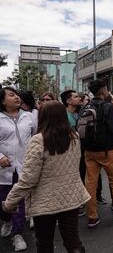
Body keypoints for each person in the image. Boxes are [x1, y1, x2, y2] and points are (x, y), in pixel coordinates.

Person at [2, 101, 90, 253]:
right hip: (71, 196)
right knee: (73, 241)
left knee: (44, 243)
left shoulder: (38, 140)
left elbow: (28, 179)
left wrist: (10, 202)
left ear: (42, 117)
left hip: (45, 202)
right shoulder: (74, 136)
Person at [83, 79, 113, 228]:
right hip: (107, 151)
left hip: (89, 151)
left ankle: (92, 216)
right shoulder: (108, 107)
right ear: (104, 90)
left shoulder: (87, 106)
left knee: (90, 184)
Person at [0, 87, 37, 251]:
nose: (16, 97)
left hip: (24, 167)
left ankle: (17, 234)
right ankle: (6, 221)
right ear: (2, 101)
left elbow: (35, 137)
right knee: (4, 202)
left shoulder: (29, 116)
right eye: (11, 95)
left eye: (16, 94)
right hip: (4, 170)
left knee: (19, 202)